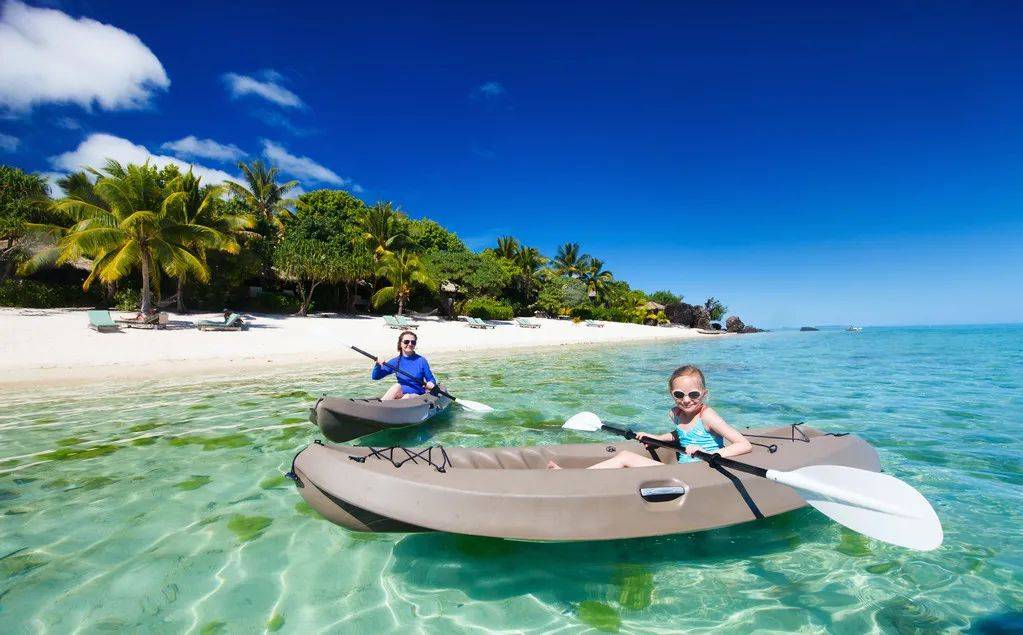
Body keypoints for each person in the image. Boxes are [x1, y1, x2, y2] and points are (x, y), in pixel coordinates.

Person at [548, 365, 752, 469]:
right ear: (672, 395)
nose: (687, 400)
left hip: (704, 470)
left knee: (626, 458)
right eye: (679, 395)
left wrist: (710, 454)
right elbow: (680, 434)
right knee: (625, 458)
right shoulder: (676, 413)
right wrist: (656, 439)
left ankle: (571, 477)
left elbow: (743, 444)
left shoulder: (708, 416)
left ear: (704, 394)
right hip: (684, 469)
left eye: (694, 394)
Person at [372, 330, 437, 400]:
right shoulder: (396, 361)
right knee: (397, 386)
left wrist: (431, 383)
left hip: (416, 395)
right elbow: (375, 377)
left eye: (413, 342)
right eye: (406, 341)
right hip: (401, 394)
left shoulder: (421, 361)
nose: (410, 344)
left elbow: (430, 379)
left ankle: (395, 407)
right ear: (400, 344)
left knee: (407, 397)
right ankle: (382, 405)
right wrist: (377, 364)